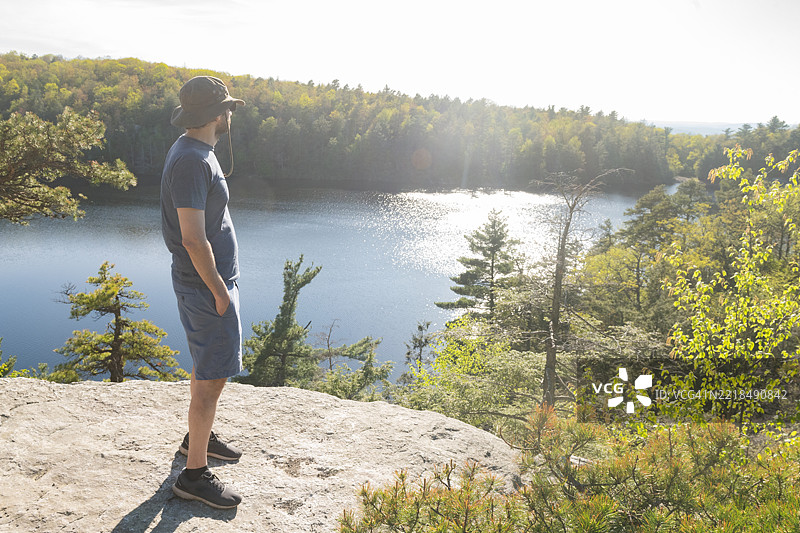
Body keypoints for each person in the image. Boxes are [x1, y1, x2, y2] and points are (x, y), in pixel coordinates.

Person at [160, 76, 245, 509]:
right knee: (213, 376)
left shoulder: (196, 151)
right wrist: (219, 292)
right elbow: (193, 239)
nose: (231, 113)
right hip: (204, 286)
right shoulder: (193, 160)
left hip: (204, 283)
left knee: (207, 365)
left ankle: (199, 438)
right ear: (216, 114)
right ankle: (193, 475)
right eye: (228, 107)